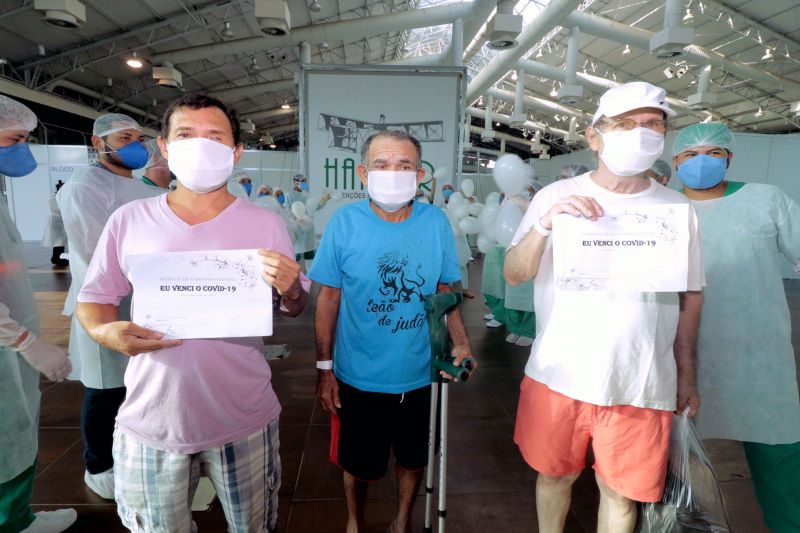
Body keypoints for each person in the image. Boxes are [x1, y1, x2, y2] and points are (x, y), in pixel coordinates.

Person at [75, 92, 310, 532]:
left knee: (254, 524)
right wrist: (106, 333)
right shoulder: (130, 220)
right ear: (164, 146)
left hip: (244, 413)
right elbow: (93, 300)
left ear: (236, 151)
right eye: (186, 134)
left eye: (215, 136)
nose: (201, 145)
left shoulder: (265, 224)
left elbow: (294, 307)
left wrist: (294, 288)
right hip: (153, 418)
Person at [504, 81, 704, 533]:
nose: (639, 133)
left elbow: (691, 295)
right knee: (555, 475)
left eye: (651, 124)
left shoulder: (676, 209)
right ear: (594, 136)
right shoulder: (553, 198)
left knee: (621, 494)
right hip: (559, 374)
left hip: (642, 378)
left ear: (664, 136)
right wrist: (544, 227)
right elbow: (514, 272)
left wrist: (686, 370)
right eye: (624, 124)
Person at [310, 130, 474, 533]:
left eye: (404, 166)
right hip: (357, 375)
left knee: (413, 458)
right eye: (382, 165)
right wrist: (324, 368)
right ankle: (355, 520)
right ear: (364, 173)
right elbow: (328, 298)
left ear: (419, 174)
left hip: (421, 372)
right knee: (357, 463)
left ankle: (401, 522)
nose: (393, 173)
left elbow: (443, 289)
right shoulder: (345, 222)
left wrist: (461, 340)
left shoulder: (435, 221)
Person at [673, 122, 800, 532]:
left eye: (713, 152)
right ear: (675, 163)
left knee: (778, 451)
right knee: (673, 454)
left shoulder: (766, 200)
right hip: (681, 354)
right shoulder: (661, 211)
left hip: (759, 352)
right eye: (690, 155)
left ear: (729, 157)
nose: (701, 162)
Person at [57, 112, 160, 499]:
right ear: (98, 143)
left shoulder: (140, 188)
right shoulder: (84, 187)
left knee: (136, 386)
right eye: (124, 137)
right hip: (103, 303)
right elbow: (94, 252)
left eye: (138, 137)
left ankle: (130, 456)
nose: (135, 144)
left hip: (143, 299)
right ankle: (98, 467)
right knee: (105, 389)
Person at [0, 95, 77, 533]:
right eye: (15, 139)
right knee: (6, 431)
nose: (22, 150)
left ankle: (17, 516)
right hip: (7, 337)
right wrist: (24, 340)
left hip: (9, 336)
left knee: (15, 425)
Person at [41, 180, 68, 267]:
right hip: (56, 222)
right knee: (58, 242)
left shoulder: (58, 196)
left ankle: (58, 258)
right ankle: (56, 258)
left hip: (59, 221)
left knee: (60, 242)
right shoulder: (53, 197)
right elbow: (57, 209)